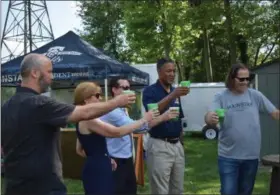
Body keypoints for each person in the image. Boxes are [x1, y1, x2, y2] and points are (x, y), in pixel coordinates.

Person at [1, 53, 136, 195]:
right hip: (44, 187)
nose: (51, 77)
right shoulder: (40, 104)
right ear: (35, 73)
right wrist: (117, 102)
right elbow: (84, 113)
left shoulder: (6, 107)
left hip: (13, 186)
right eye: (49, 72)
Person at [76, 78, 179, 195]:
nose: (100, 98)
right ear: (86, 99)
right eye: (97, 95)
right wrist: (150, 118)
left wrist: (103, 158)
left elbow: (79, 149)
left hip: (106, 163)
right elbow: (118, 132)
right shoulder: (95, 118)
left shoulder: (85, 118)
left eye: (129, 88)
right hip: (108, 166)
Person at [204, 63, 279, 195]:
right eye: (241, 79)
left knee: (246, 192)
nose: (245, 82)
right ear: (232, 78)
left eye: (247, 79)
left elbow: (275, 113)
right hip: (228, 157)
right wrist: (211, 118)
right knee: (228, 192)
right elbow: (209, 115)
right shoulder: (221, 97)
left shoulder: (255, 95)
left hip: (251, 156)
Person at [142, 58, 190, 194]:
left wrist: (181, 144)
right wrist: (172, 95)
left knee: (177, 190)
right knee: (160, 190)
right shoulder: (149, 91)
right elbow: (153, 112)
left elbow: (179, 118)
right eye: (168, 71)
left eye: (174, 71)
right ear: (159, 72)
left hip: (177, 146)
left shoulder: (176, 92)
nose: (172, 74)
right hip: (159, 145)